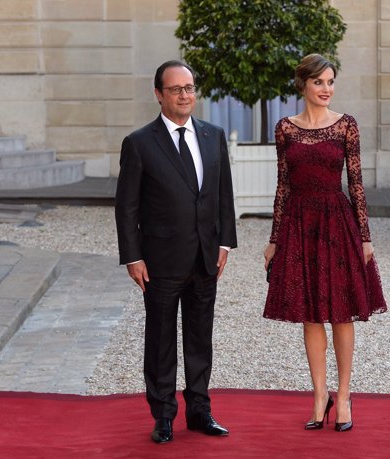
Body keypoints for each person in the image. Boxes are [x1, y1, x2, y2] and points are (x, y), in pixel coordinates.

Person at [263, 54, 387, 433]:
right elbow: (283, 185)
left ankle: (345, 395)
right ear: (303, 85)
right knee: (311, 312)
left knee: (341, 311)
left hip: (337, 222)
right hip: (300, 224)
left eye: (331, 82)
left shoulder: (345, 126)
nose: (326, 89)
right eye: (319, 82)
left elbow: (356, 183)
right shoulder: (285, 128)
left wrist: (365, 237)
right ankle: (320, 395)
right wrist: (273, 239)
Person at [115, 60, 237, 444]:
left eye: (189, 88)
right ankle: (163, 415)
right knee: (161, 340)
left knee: (201, 339)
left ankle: (200, 411)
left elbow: (223, 194)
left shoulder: (213, 135)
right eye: (176, 89)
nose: (185, 95)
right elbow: (127, 206)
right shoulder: (139, 143)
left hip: (205, 257)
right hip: (160, 262)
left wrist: (224, 242)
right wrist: (133, 256)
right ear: (158, 94)